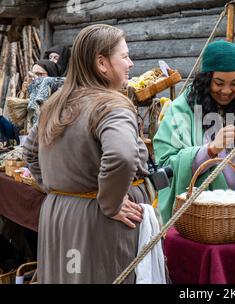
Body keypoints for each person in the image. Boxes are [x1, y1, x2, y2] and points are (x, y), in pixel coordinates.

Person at [23, 24, 150, 283]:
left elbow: (29, 152)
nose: (131, 63)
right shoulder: (111, 105)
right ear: (102, 63)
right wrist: (111, 202)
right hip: (100, 223)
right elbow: (122, 156)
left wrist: (58, 189)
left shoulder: (55, 104)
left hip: (59, 215)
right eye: (124, 56)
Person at [153, 40, 235, 224]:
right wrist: (208, 151)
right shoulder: (181, 110)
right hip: (201, 221)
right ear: (206, 80)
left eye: (234, 83)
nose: (226, 91)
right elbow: (165, 166)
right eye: (219, 83)